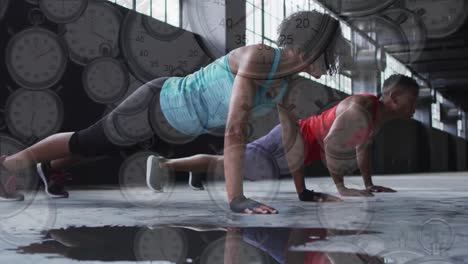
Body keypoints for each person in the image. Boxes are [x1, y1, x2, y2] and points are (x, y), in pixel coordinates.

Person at [0, 10, 350, 214]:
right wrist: (237, 199)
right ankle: (9, 166)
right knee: (86, 141)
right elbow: (235, 129)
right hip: (157, 105)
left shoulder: (288, 83)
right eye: (330, 50)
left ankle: (51, 168)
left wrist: (303, 192)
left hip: (173, 123)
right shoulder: (258, 58)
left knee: (96, 148)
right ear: (310, 46)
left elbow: (290, 137)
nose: (334, 61)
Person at [146, 74, 420, 206]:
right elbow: (333, 145)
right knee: (226, 162)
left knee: (227, 164)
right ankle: (164, 165)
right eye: (413, 100)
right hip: (287, 145)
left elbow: (362, 148)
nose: (416, 107)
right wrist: (342, 188)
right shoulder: (360, 110)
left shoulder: (375, 118)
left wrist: (368, 184)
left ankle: (198, 171)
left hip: (293, 152)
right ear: (394, 98)